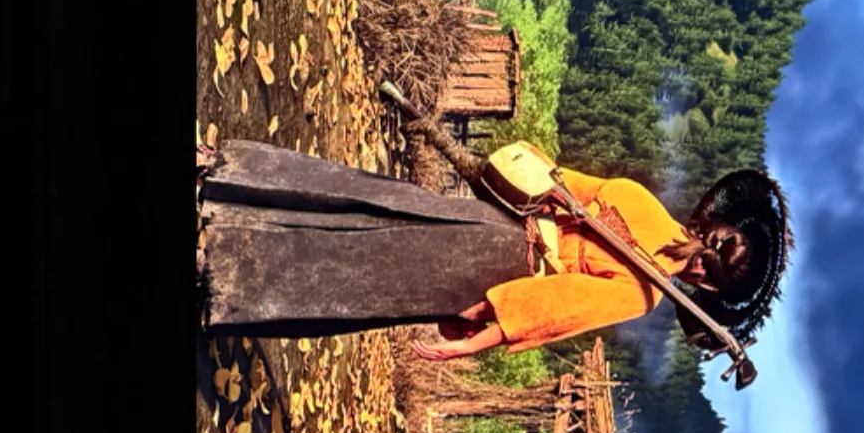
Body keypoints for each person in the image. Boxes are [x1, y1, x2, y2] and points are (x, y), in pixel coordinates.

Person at [195, 124, 792, 359]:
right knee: (368, 273)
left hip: (490, 227)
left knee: (378, 210)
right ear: (709, 282)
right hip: (500, 263)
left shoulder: (641, 208)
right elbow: (559, 301)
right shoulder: (645, 290)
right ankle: (225, 268)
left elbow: (550, 181)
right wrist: (483, 333)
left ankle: (230, 184)